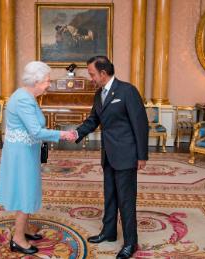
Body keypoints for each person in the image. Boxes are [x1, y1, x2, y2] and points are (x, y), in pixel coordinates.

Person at [0, 61, 75, 255]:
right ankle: (18, 239)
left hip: (25, 151)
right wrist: (62, 135)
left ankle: (26, 229)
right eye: (47, 81)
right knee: (25, 192)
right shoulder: (23, 99)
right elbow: (35, 131)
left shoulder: (26, 95)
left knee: (28, 188)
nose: (49, 84)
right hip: (21, 154)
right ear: (37, 81)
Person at [74, 56, 149, 259]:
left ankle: (131, 243)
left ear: (103, 73)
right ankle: (108, 232)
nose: (91, 78)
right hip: (108, 154)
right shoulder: (99, 94)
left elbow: (140, 124)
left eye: (92, 74)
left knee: (126, 200)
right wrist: (76, 133)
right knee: (110, 195)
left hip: (126, 154)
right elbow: (93, 120)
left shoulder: (127, 91)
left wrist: (142, 155)